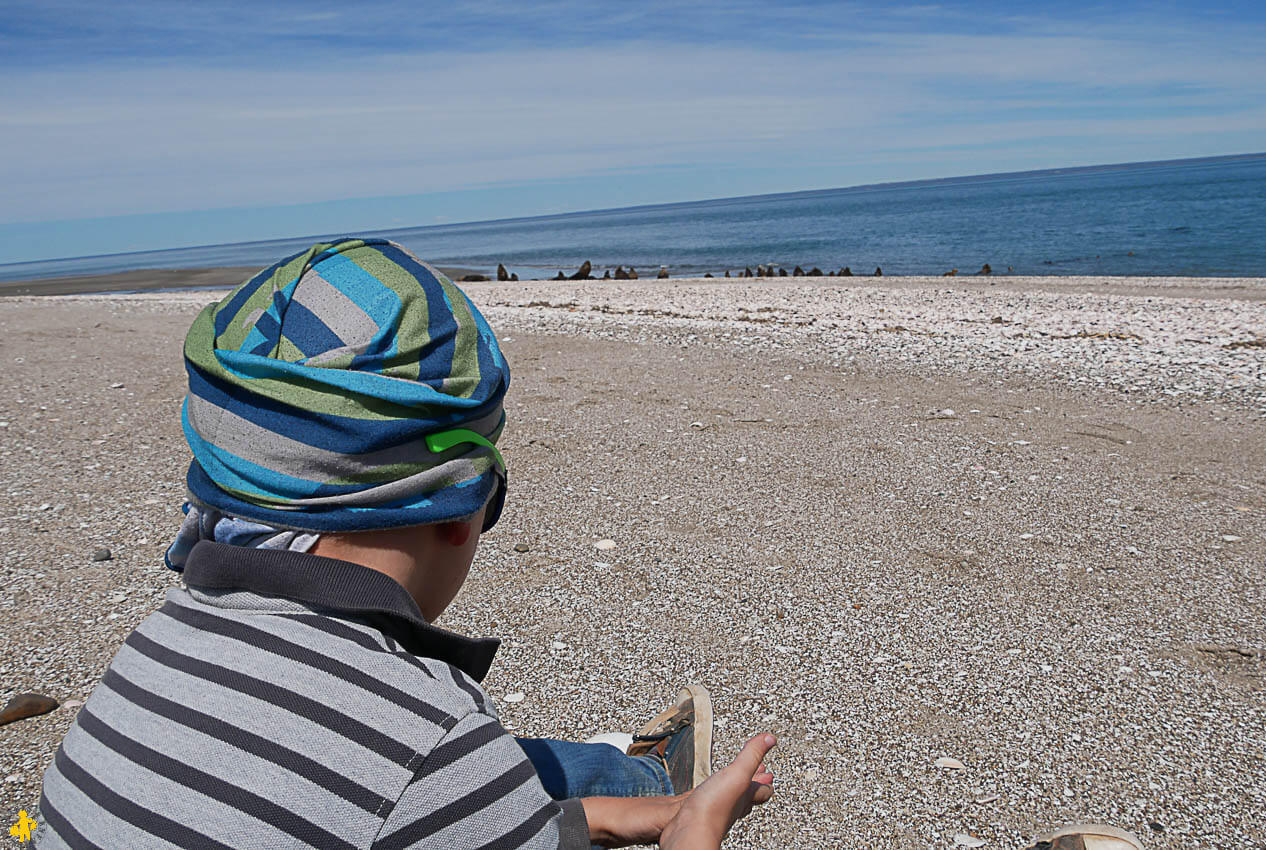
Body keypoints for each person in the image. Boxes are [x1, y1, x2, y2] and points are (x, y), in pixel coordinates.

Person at [34, 238, 775, 850]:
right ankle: (653, 780)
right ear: (462, 504)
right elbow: (414, 780)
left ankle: (625, 777)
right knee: (471, 772)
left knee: (516, 774)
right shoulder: (432, 738)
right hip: (429, 777)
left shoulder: (157, 646)